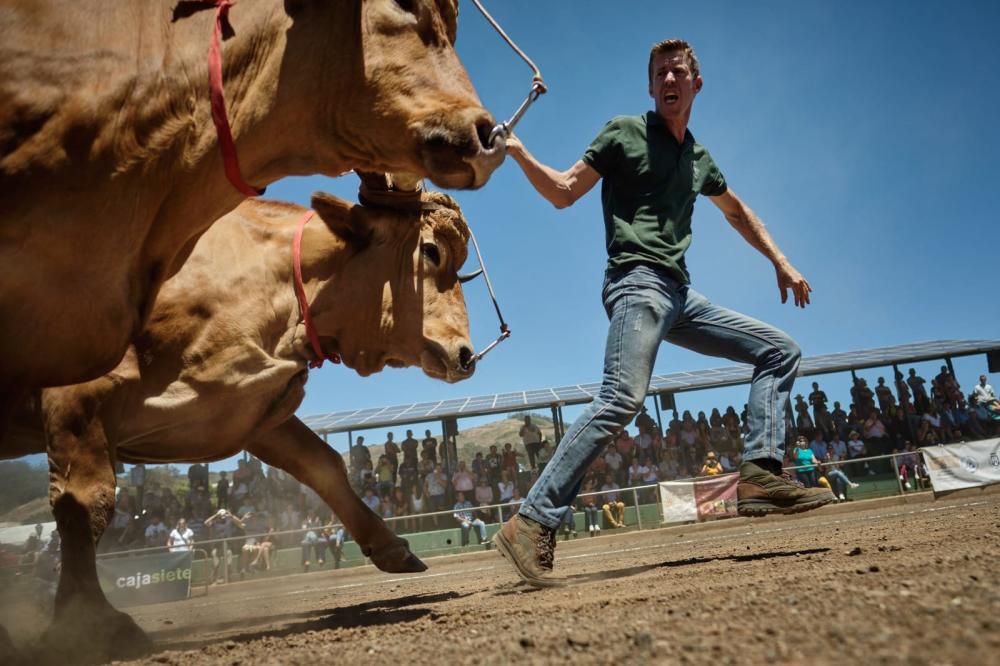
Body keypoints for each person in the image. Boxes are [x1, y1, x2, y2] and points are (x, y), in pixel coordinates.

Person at [492, 38, 832, 586]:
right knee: (622, 397)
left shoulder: (698, 159)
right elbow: (562, 191)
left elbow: (736, 210)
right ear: (651, 87)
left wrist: (780, 260)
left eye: (678, 72)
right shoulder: (625, 132)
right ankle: (531, 522)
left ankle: (761, 474)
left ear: (696, 84)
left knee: (779, 350)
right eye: (659, 74)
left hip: (680, 294)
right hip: (637, 284)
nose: (669, 80)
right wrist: (517, 151)